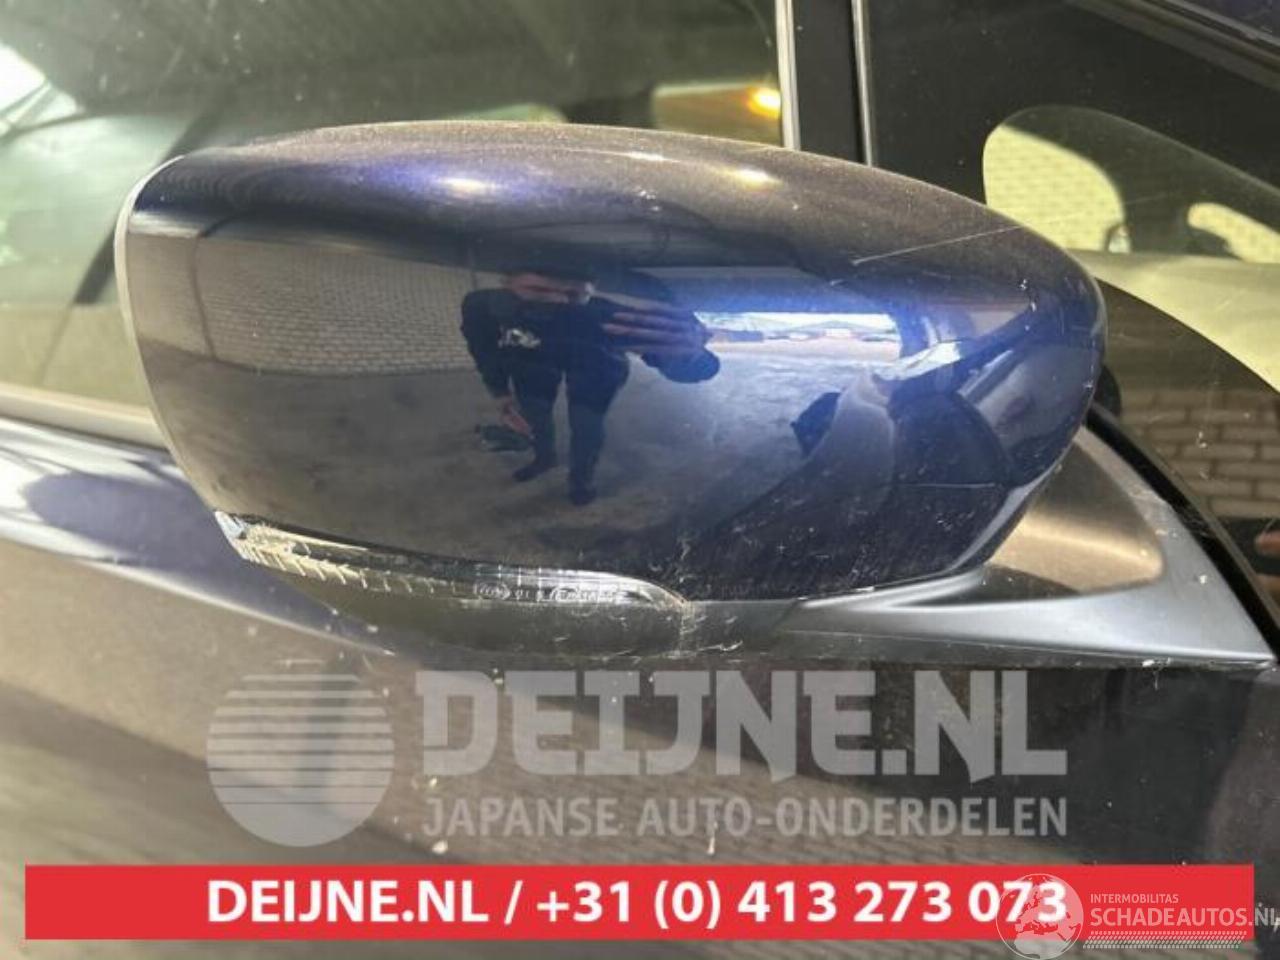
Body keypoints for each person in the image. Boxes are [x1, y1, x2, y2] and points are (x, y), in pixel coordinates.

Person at [461, 270, 718, 505]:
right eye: (539, 289)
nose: (558, 299)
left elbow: (661, 350)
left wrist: (688, 358)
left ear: (588, 291)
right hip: (536, 360)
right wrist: (499, 391)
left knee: (586, 424)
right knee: (535, 414)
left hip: (596, 364)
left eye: (573, 293)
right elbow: (484, 348)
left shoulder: (602, 314)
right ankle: (544, 458)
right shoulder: (484, 306)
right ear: (507, 283)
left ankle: (580, 480)